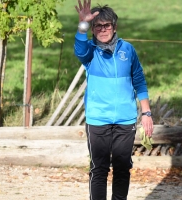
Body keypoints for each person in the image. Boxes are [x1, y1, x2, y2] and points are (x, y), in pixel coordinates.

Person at [74, 0, 154, 199]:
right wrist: (83, 25)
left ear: (114, 27)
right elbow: (79, 49)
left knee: (122, 169)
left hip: (125, 120)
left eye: (106, 25)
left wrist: (146, 113)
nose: (103, 29)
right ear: (93, 29)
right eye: (98, 26)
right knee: (99, 169)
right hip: (98, 119)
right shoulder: (90, 52)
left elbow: (139, 81)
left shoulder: (128, 50)